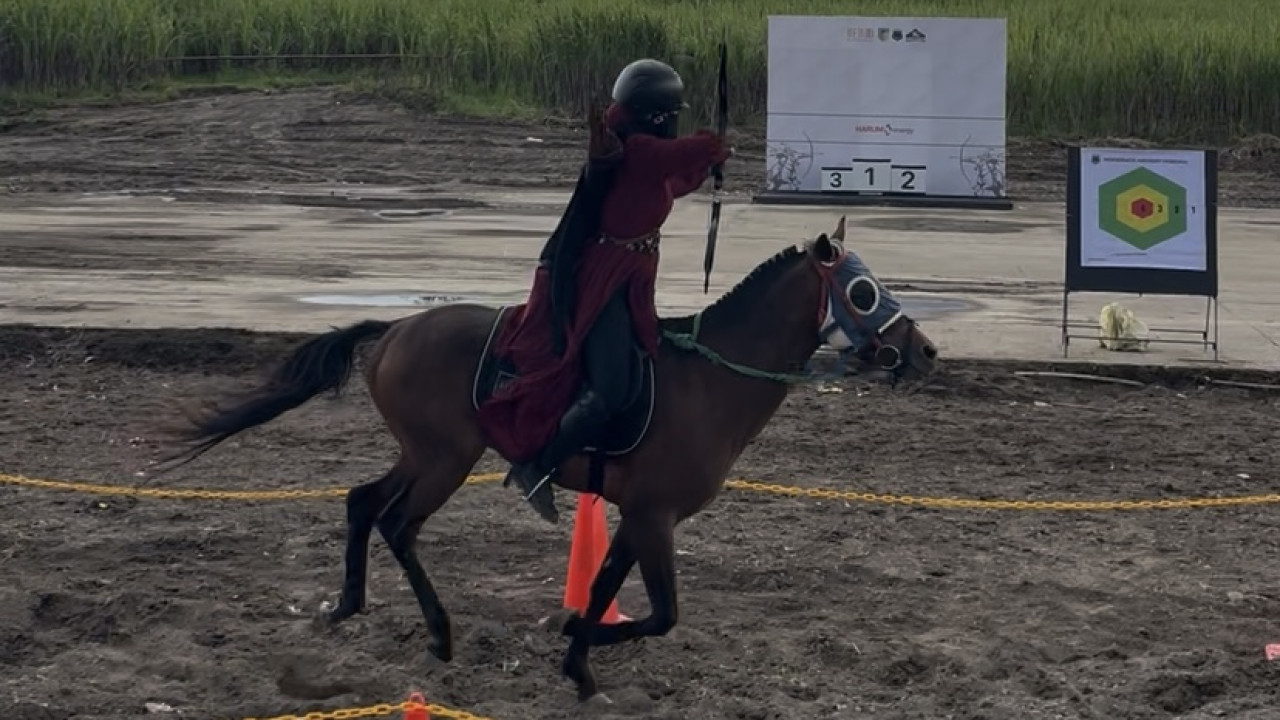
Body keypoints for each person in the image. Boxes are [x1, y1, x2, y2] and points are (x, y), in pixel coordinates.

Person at [474, 58, 733, 523]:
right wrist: (713, 147)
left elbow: (673, 181)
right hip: (602, 280)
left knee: (638, 367)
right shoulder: (635, 151)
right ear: (659, 115)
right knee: (611, 388)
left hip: (627, 277)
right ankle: (539, 464)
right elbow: (682, 155)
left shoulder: (639, 156)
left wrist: (705, 166)